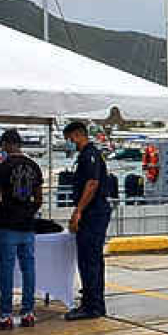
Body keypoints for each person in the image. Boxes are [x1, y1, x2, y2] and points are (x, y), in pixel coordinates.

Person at [0, 129, 43, 330]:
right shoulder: (34, 166)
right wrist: (28, 212)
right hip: (27, 225)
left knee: (7, 270)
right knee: (28, 269)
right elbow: (39, 199)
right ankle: (28, 312)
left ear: (4, 144)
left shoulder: (2, 167)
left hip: (7, 224)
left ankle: (6, 315)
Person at [63, 122, 113, 320]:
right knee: (92, 259)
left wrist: (78, 211)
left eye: (69, 139)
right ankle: (94, 301)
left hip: (93, 213)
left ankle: (92, 306)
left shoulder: (89, 155)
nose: (69, 143)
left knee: (89, 259)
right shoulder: (91, 154)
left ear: (77, 135)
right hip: (95, 212)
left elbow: (92, 184)